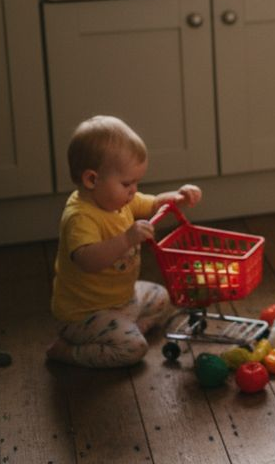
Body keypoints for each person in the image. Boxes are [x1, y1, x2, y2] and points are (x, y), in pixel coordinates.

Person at [47, 115, 202, 367]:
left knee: (162, 297)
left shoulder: (120, 200)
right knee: (134, 349)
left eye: (136, 183)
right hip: (85, 314)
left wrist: (178, 197)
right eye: (127, 183)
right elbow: (87, 260)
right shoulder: (80, 217)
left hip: (123, 299)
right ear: (91, 180)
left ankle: (127, 327)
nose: (133, 190)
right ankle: (69, 352)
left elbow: (152, 203)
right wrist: (126, 239)